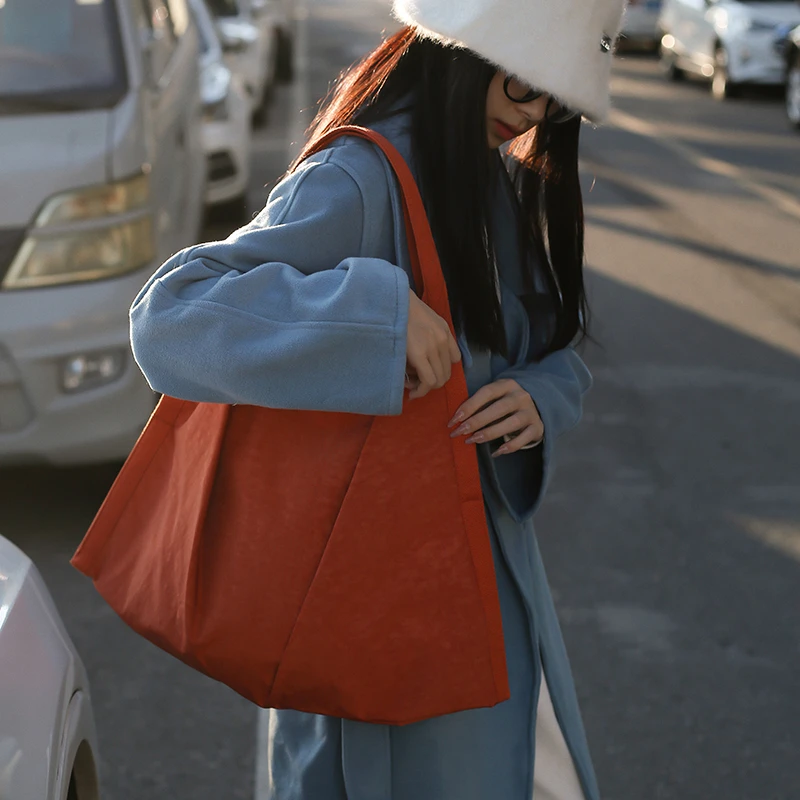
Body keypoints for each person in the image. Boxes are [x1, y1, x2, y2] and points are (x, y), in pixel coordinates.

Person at [129, 1, 626, 797]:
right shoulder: (359, 178)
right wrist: (376, 315)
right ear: (465, 56)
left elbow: (549, 348)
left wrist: (541, 398)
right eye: (530, 90)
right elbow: (170, 318)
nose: (535, 118)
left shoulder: (481, 171)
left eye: (555, 106)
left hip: (472, 589)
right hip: (372, 594)